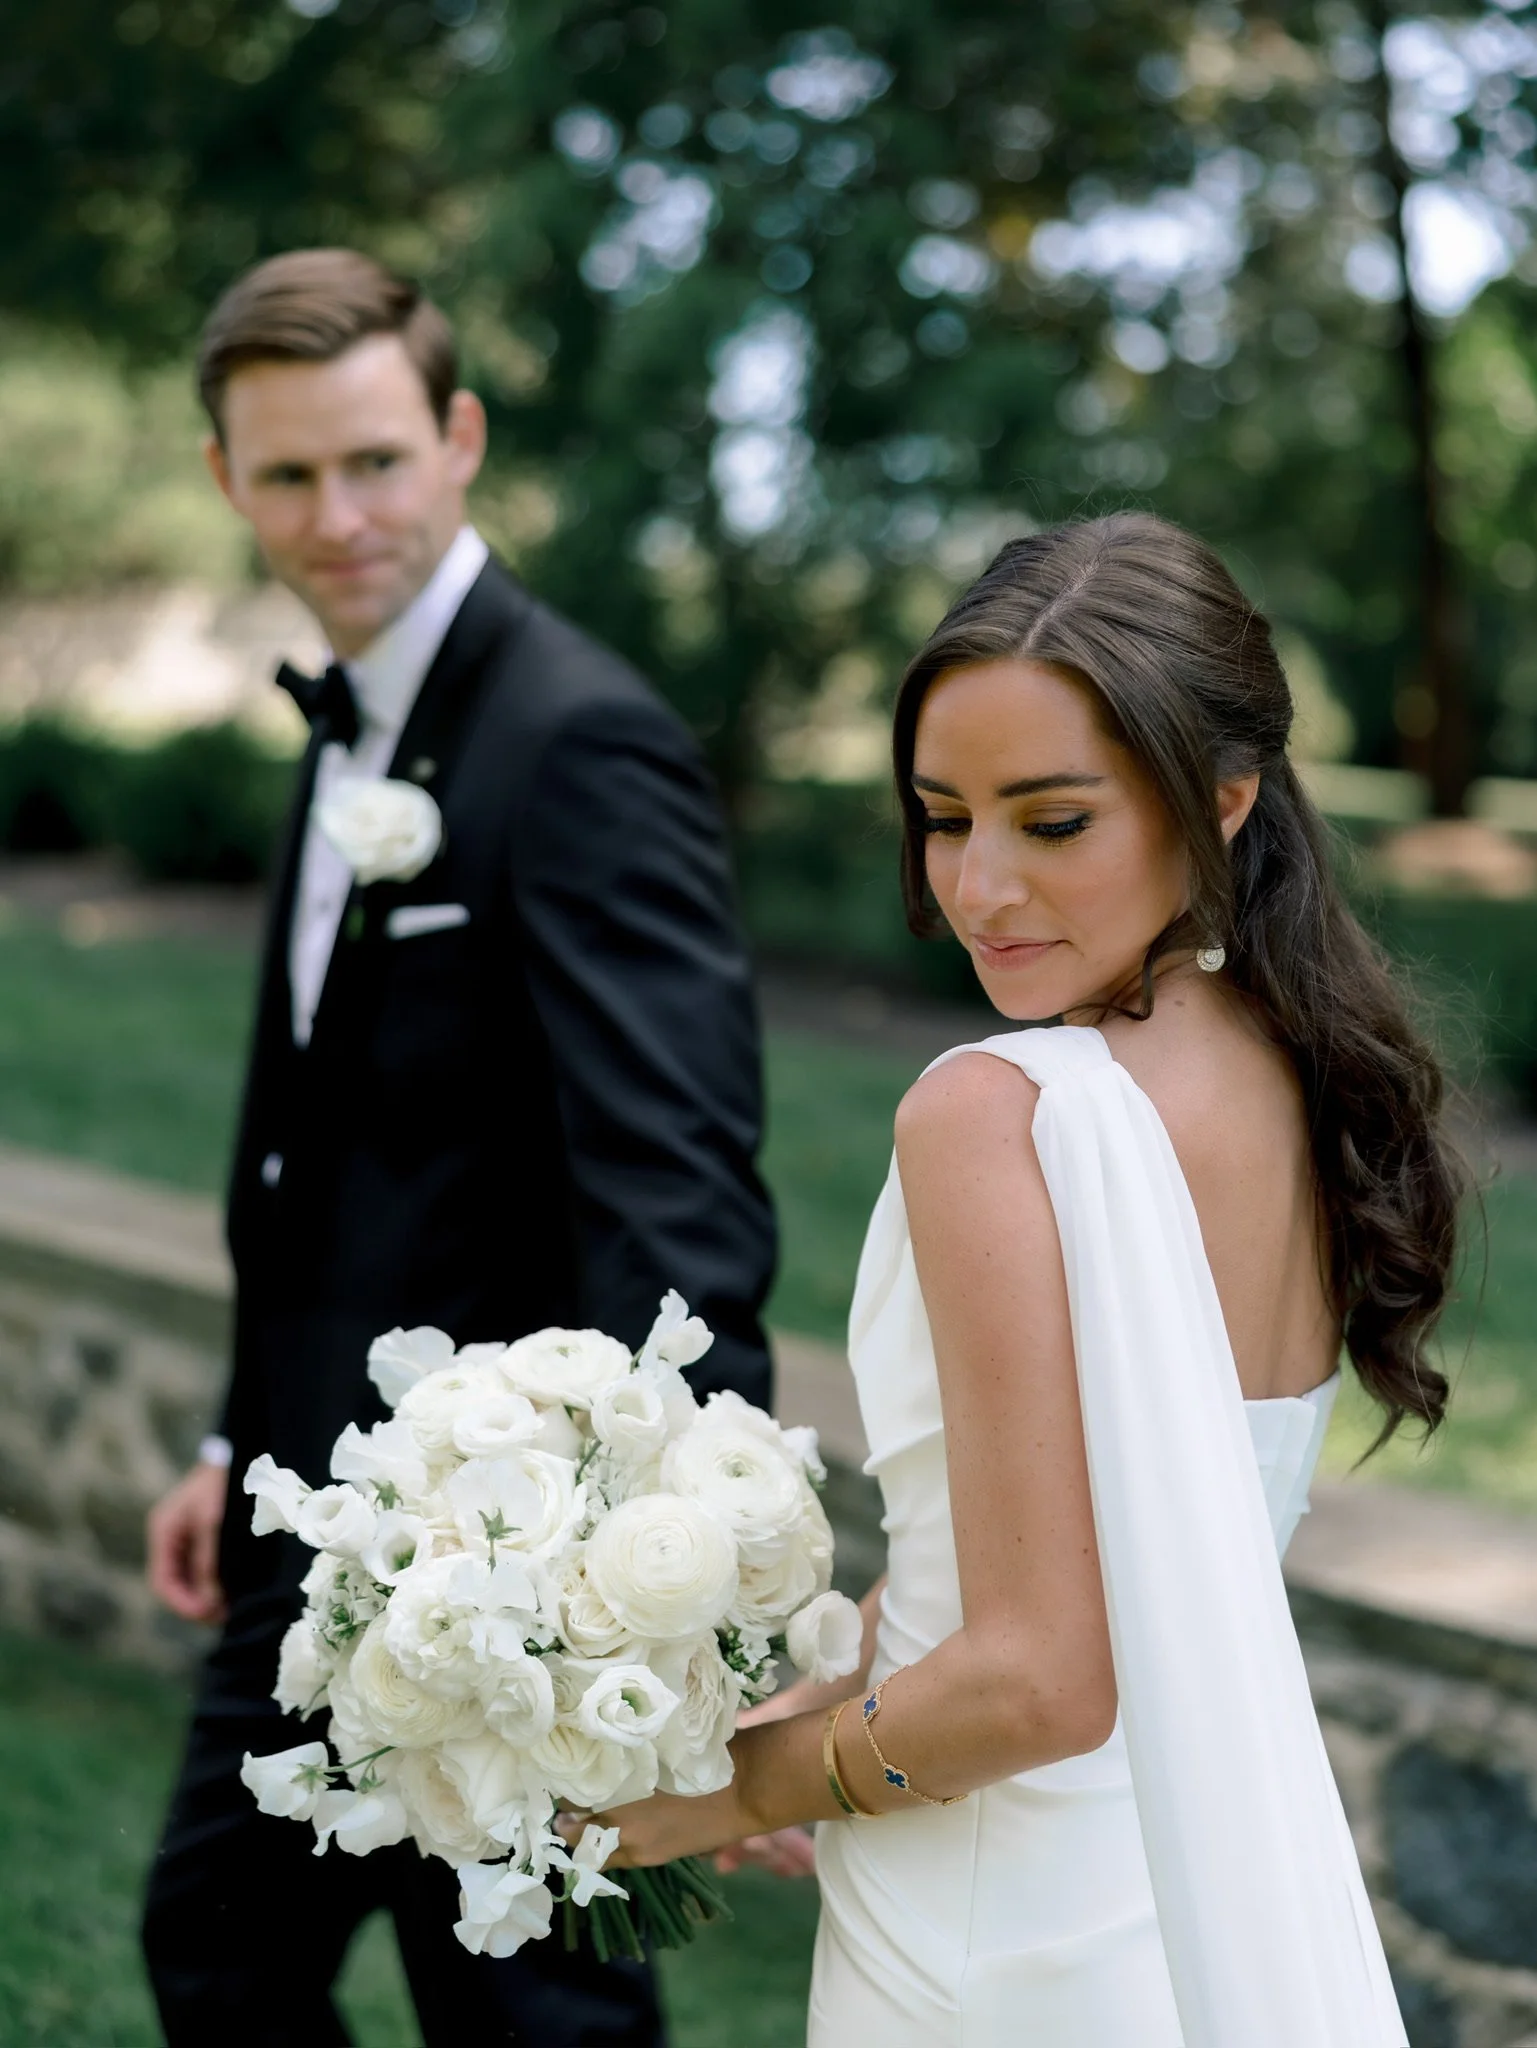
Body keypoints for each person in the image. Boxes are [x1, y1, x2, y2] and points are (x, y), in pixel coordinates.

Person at [579, 512, 1463, 2046]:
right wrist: (835, 1699)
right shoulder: (1302, 1072)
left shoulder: (999, 1112)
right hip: (1195, 1884)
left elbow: (1045, 1680)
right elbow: (1062, 1550)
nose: (981, 884)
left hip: (995, 1911)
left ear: (1223, 800)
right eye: (942, 816)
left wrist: (730, 1789)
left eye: (1052, 823)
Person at [141, 247, 776, 2048]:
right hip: (312, 1517)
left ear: (462, 438)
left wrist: (660, 1600)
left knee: (529, 2016)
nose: (337, 517)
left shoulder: (578, 741)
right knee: (221, 1948)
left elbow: (680, 1191)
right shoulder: (356, 721)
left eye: (376, 461)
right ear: (224, 480)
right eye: (287, 474)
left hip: (503, 1567)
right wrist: (228, 1431)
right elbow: (323, 1158)